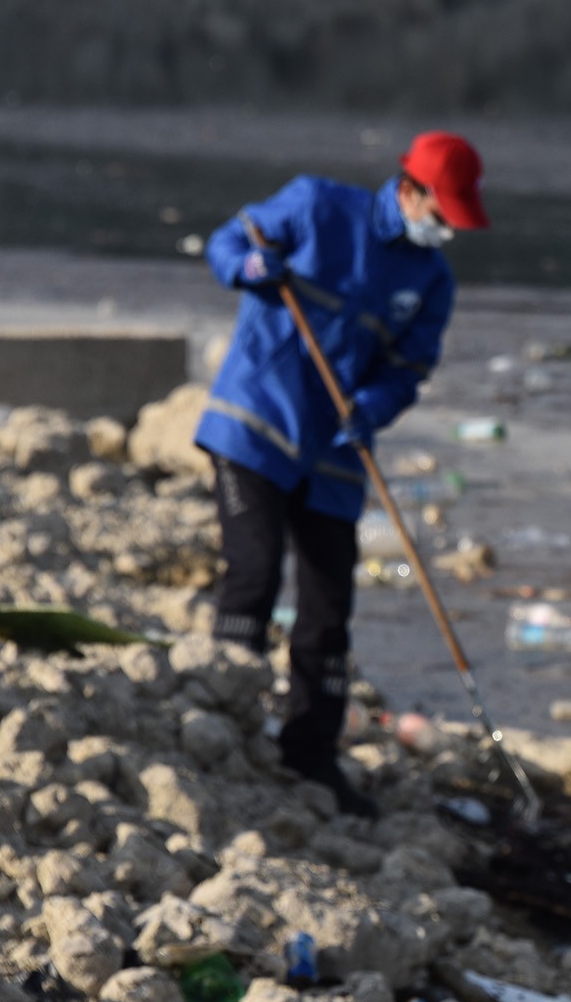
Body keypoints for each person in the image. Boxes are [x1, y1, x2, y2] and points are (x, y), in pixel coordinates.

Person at [196, 131, 488, 818]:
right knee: (254, 570)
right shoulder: (315, 206)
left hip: (334, 450)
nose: (445, 230)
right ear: (408, 190)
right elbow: (226, 243)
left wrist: (373, 407)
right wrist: (249, 267)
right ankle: (221, 720)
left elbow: (407, 371)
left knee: (329, 606)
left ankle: (310, 752)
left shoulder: (432, 282)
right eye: (439, 214)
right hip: (255, 426)